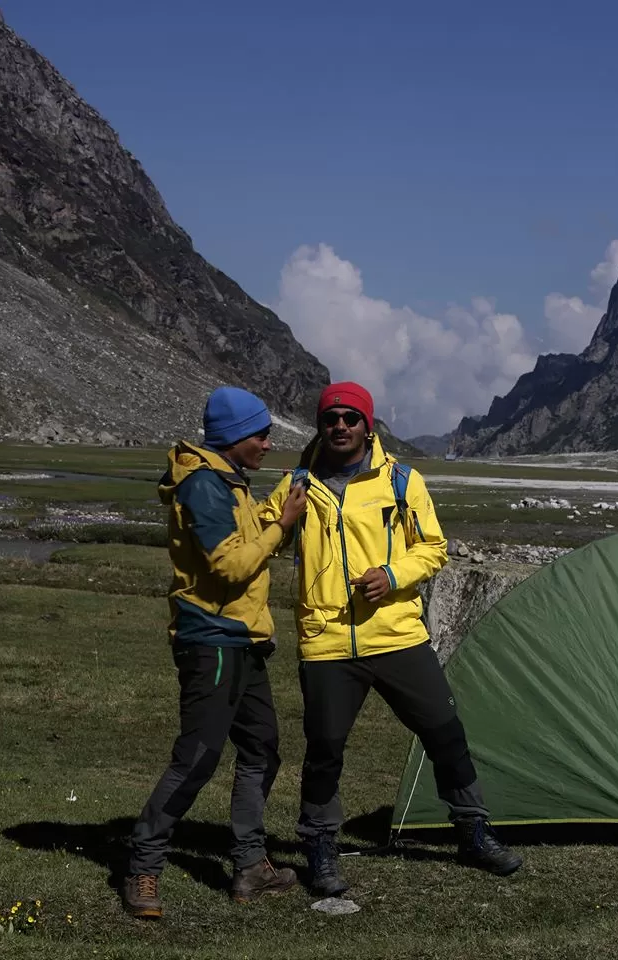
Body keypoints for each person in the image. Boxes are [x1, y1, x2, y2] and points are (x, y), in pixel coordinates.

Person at [258, 381, 522, 896]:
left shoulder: (402, 481)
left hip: (398, 634)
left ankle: (473, 831)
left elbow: (433, 548)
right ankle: (320, 847)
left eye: (350, 418)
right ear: (320, 424)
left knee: (445, 732)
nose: (340, 426)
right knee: (325, 748)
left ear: (368, 426)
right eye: (331, 417)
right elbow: (263, 538)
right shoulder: (295, 484)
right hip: (327, 641)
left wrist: (392, 575)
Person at [123, 386, 307, 917]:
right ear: (234, 437)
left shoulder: (230, 482)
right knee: (198, 757)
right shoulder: (204, 485)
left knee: (262, 749)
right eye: (262, 434)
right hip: (213, 640)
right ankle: (143, 867)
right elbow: (229, 566)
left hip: (241, 640)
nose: (269, 443)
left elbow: (246, 544)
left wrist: (280, 508)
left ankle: (250, 864)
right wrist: (283, 525)